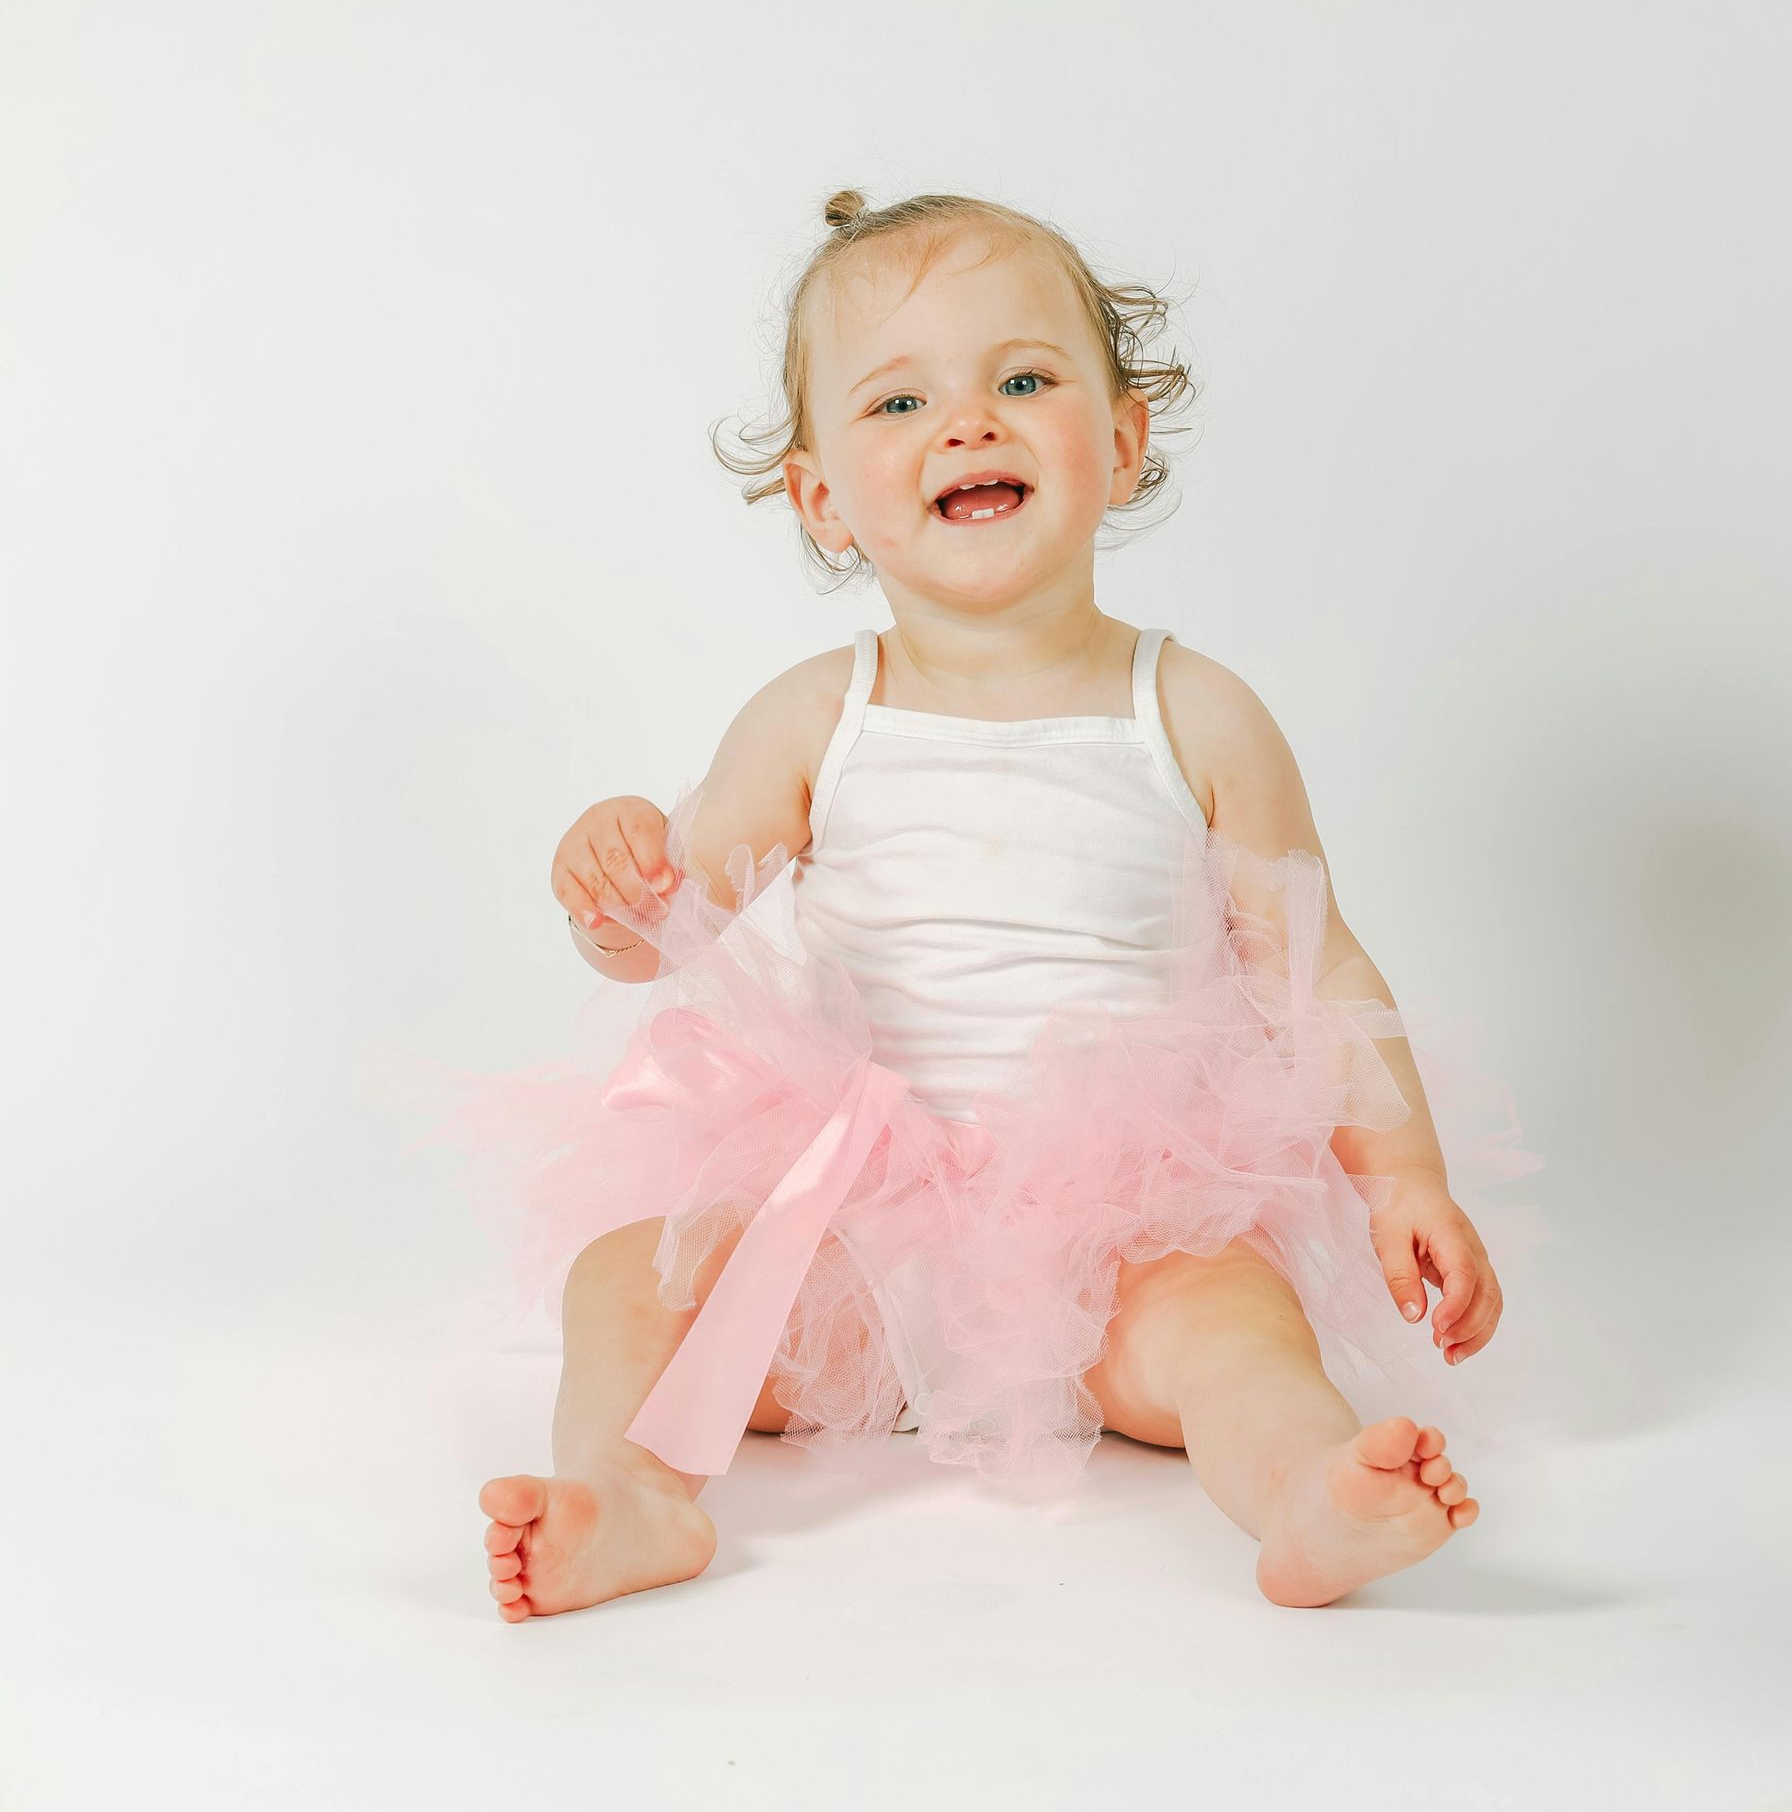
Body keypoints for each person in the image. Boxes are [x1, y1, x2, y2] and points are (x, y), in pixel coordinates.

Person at [425, 188, 1547, 1622]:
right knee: (623, 1281)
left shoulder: (1195, 713)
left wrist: (1406, 1178)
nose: (968, 424)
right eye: (899, 402)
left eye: (1024, 380)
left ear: (1124, 438)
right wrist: (611, 875)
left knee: (1231, 1322)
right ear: (823, 494)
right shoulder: (812, 718)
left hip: (1117, 1244)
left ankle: (1307, 1491)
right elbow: (665, 930)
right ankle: (630, 1496)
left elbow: (1316, 971)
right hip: (839, 1239)